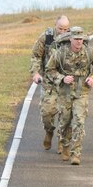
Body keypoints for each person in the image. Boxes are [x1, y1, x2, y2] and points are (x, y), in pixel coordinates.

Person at [45, 26, 93, 166]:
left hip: (82, 92)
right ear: (70, 39)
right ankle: (65, 144)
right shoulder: (61, 53)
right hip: (65, 94)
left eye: (81, 39)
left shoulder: (89, 52)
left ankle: (75, 153)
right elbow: (49, 69)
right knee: (65, 122)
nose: (79, 42)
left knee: (79, 122)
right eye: (76, 39)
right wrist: (61, 78)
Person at [29, 15, 70, 151]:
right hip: (49, 82)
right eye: (60, 29)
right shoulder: (47, 37)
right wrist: (35, 72)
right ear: (55, 25)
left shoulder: (72, 38)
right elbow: (36, 55)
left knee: (65, 115)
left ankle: (61, 140)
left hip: (66, 83)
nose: (63, 32)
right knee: (47, 113)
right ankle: (49, 131)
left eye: (66, 29)